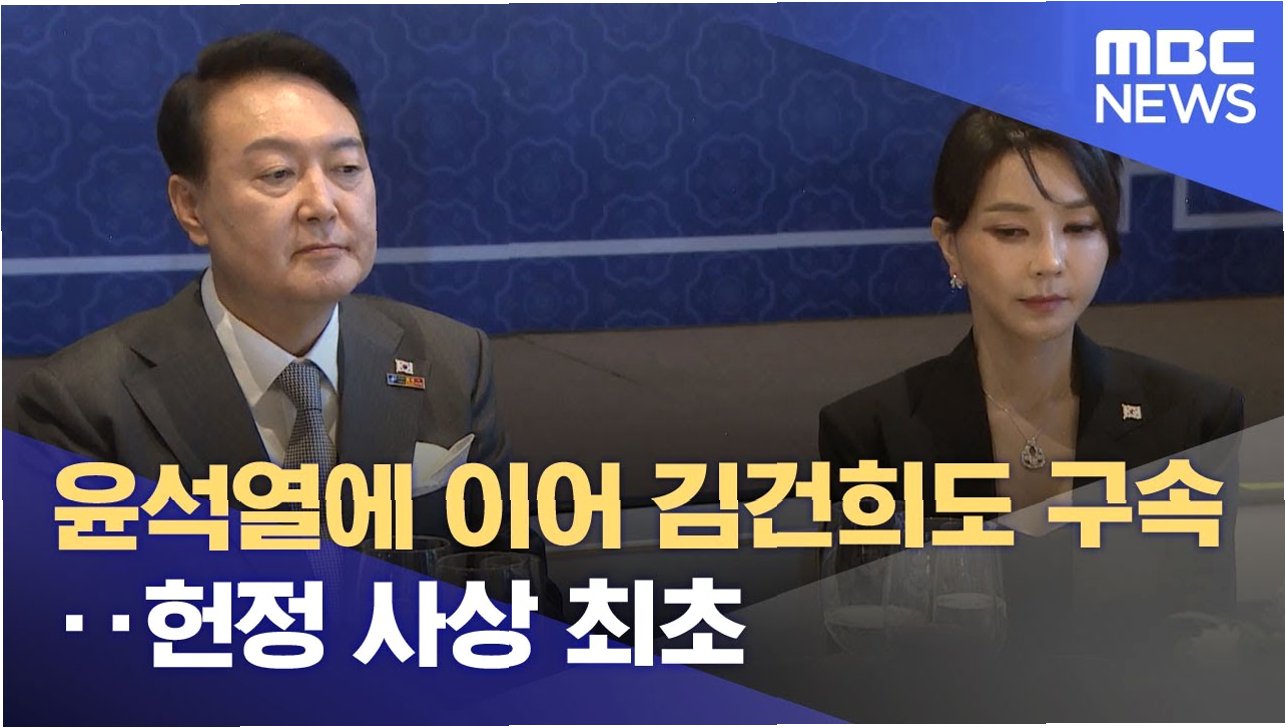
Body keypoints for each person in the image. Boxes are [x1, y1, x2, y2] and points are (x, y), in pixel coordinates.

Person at [13, 31, 535, 580]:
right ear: (190, 207)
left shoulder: (452, 360)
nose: (322, 205)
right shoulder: (84, 404)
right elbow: (77, 619)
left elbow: (515, 594)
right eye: (277, 174)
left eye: (346, 169)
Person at [818, 107, 1243, 643]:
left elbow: (1205, 630)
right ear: (950, 244)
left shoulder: (1195, 418)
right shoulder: (872, 432)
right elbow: (854, 646)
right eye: (1011, 231)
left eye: (1079, 227)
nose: (1050, 261)